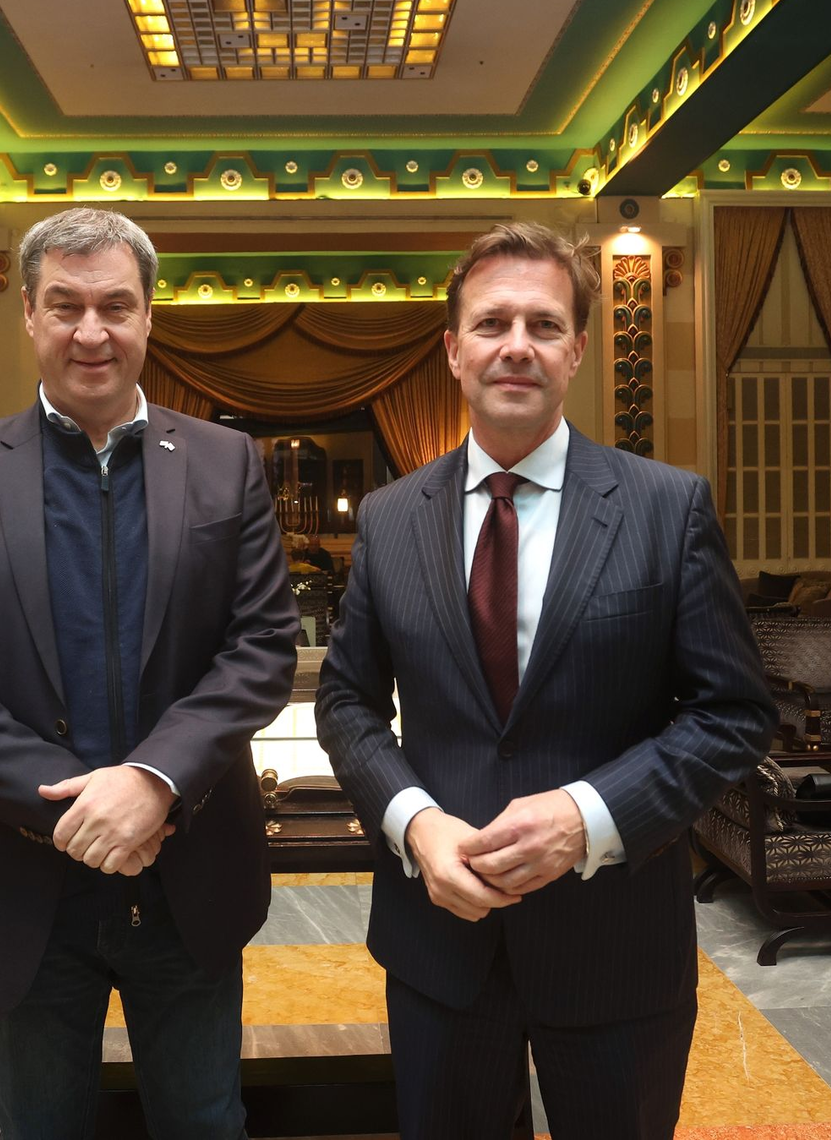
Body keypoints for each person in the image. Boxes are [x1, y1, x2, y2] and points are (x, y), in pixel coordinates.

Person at [315, 221, 776, 1140]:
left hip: (616, 947)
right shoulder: (390, 518)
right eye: (491, 323)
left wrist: (585, 816)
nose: (516, 345)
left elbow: (731, 713)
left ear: (578, 349)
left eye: (543, 324)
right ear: (454, 350)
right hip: (439, 944)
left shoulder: (666, 506)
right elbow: (346, 703)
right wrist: (416, 823)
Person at [0, 207, 300, 1140]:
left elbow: (264, 643)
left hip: (189, 877)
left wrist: (153, 781)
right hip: (21, 883)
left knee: (205, 1121)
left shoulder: (226, 463)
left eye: (115, 305)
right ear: (28, 313)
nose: (91, 331)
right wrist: (71, 806)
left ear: (149, 316)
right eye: (65, 305)